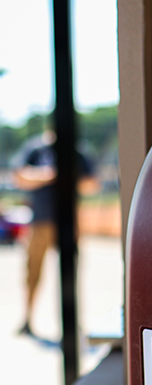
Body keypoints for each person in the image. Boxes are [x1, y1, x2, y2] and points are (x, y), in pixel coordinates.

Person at [13, 130, 99, 336]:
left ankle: (73, 321)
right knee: (32, 272)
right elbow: (19, 177)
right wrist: (51, 175)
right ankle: (27, 319)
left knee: (71, 273)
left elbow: (92, 185)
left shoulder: (77, 152)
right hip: (40, 222)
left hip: (69, 223)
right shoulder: (35, 149)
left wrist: (68, 178)